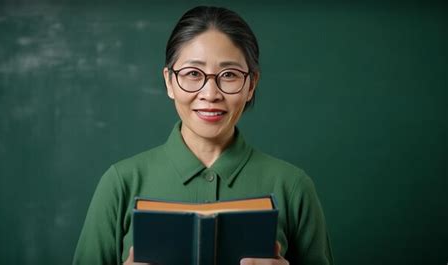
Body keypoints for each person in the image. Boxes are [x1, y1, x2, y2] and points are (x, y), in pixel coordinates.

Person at [73, 5, 334, 265]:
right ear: (169, 81)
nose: (210, 95)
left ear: (251, 84)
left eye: (229, 75)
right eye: (193, 74)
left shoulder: (293, 186)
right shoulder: (120, 183)